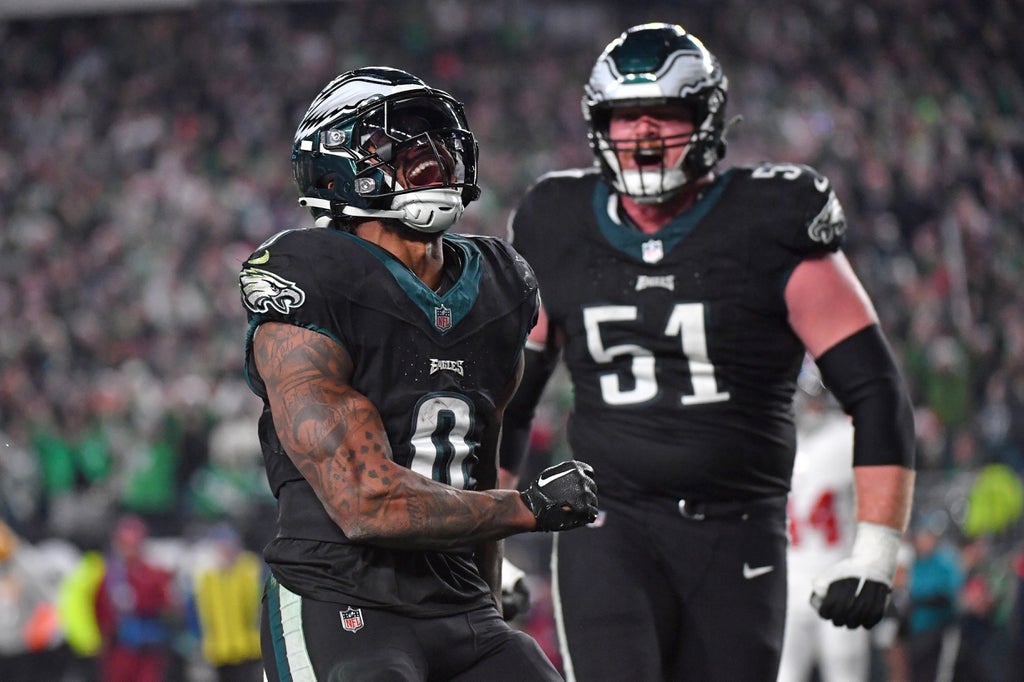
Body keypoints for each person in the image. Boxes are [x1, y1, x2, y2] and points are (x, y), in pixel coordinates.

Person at [500, 23, 916, 681]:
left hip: (736, 529)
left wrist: (876, 547)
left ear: (706, 118)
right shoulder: (557, 222)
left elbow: (875, 390)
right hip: (609, 526)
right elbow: (511, 397)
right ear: (598, 126)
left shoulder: (770, 220)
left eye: (664, 114)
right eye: (624, 116)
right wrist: (486, 540)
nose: (642, 133)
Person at [239, 66, 598, 681]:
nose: (430, 157)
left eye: (438, 141)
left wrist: (486, 591)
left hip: (457, 601)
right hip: (340, 597)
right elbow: (365, 500)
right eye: (400, 144)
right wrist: (530, 507)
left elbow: (474, 466)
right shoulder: (312, 276)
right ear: (339, 165)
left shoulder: (498, 285)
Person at [777, 370, 870, 682]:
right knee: (786, 673)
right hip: (793, 579)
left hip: (836, 576)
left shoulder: (843, 438)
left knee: (843, 672)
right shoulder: (784, 438)